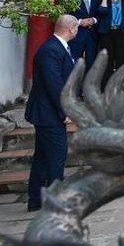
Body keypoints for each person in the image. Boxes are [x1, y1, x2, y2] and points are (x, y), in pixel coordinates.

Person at [25, 15, 79, 212]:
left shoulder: (58, 47)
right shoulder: (51, 50)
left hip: (48, 111)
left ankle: (36, 199)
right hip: (48, 112)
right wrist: (64, 111)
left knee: (43, 156)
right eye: (77, 27)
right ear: (72, 29)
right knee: (57, 156)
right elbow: (53, 85)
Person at [68, 0, 101, 69]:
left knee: (92, 65)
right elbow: (68, 16)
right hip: (77, 34)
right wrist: (79, 22)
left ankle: (88, 84)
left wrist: (94, 20)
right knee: (74, 63)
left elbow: (102, 13)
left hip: (93, 35)